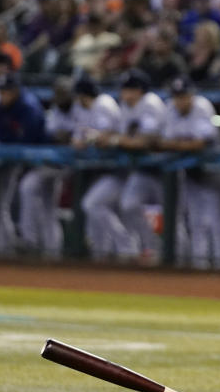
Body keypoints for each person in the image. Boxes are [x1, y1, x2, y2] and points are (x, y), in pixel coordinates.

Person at [160, 77, 220, 268]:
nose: (179, 100)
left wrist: (178, 145)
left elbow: (200, 143)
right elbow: (164, 142)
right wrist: (182, 145)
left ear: (191, 95)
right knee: (196, 222)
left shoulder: (202, 106)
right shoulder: (170, 109)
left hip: (213, 173)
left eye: (183, 96)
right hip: (191, 174)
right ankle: (200, 267)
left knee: (216, 223)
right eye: (177, 96)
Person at [17, 76, 77, 257]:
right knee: (31, 190)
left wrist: (68, 137)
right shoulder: (55, 110)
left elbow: (75, 137)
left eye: (64, 94)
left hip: (73, 166)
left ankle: (47, 247)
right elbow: (52, 136)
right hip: (51, 165)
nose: (60, 98)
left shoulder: (80, 109)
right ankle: (34, 243)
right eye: (58, 95)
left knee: (49, 205)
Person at [0, 73, 49, 255]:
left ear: (16, 91)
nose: (3, 95)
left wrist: (13, 142)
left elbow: (29, 139)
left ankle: (35, 244)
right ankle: (10, 246)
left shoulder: (29, 107)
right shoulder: (1, 107)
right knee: (1, 201)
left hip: (43, 163)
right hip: (16, 162)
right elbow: (1, 136)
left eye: (6, 92)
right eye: (1, 91)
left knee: (36, 198)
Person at [72, 75, 128, 260]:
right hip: (99, 171)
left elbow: (106, 136)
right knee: (94, 210)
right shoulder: (83, 108)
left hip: (119, 169)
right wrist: (87, 138)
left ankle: (126, 247)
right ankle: (103, 253)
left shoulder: (104, 104)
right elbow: (78, 137)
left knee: (92, 205)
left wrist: (90, 138)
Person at [115, 69, 167, 262]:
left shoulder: (150, 103)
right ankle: (151, 248)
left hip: (166, 171)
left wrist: (117, 140)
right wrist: (122, 140)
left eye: (128, 89)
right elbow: (127, 138)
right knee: (128, 204)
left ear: (138, 90)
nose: (124, 93)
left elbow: (146, 141)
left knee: (172, 217)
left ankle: (180, 257)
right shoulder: (127, 106)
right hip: (144, 170)